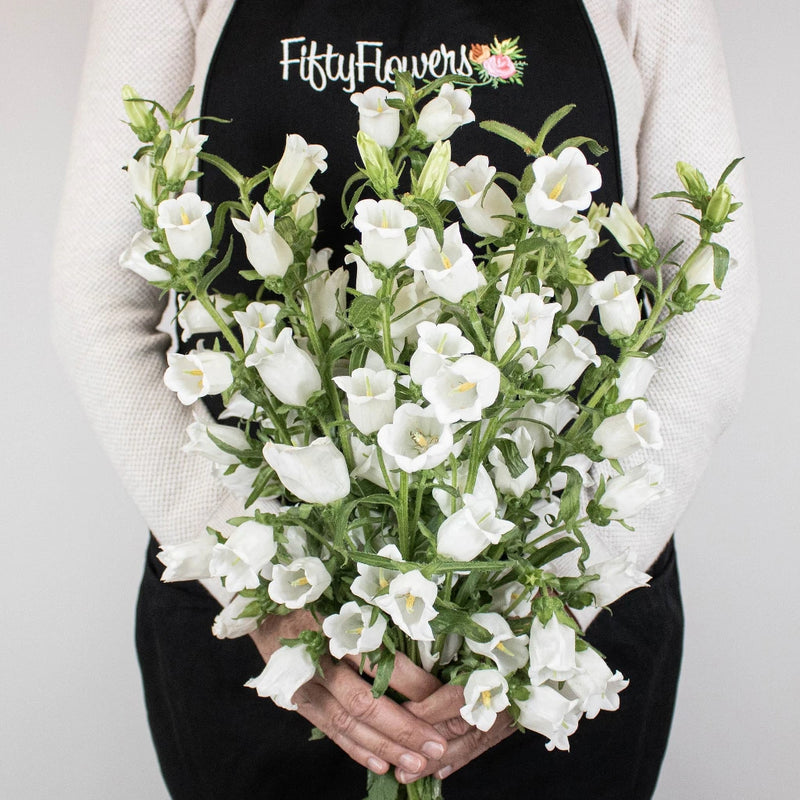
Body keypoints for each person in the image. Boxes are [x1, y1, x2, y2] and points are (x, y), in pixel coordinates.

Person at [52, 1, 756, 798]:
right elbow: (101, 298)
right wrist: (256, 587)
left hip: (560, 591)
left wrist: (546, 614)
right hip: (260, 601)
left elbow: (704, 301)